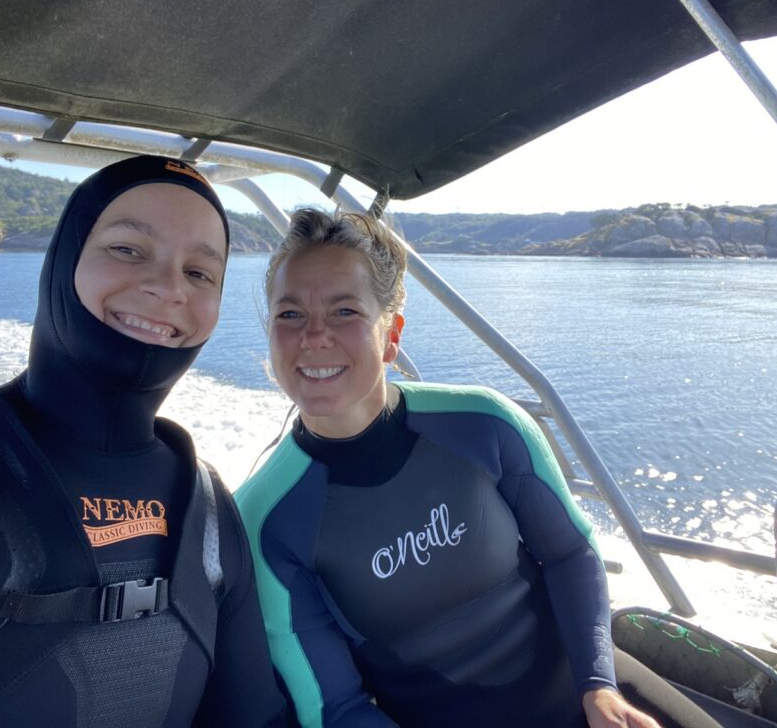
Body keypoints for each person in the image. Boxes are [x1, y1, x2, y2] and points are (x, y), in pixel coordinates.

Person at [235, 207, 721, 728]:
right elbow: (337, 708)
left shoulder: (483, 423)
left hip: (586, 686)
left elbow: (569, 553)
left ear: (390, 334)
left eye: (344, 312)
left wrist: (599, 687)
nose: (313, 337)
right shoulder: (266, 516)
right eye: (290, 315)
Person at [0, 155, 286, 727]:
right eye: (128, 249)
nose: (167, 288)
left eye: (199, 273)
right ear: (63, 261)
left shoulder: (209, 510)